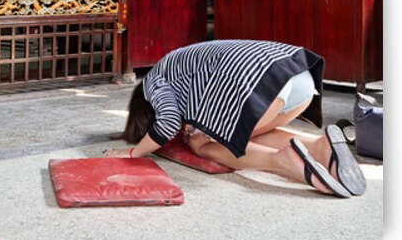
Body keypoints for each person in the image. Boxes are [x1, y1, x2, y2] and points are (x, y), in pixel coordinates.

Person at [103, 40, 366, 198]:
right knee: (246, 131)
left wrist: (133, 153)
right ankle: (317, 146)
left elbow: (169, 121)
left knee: (202, 145)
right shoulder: (181, 66)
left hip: (259, 81)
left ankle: (281, 160)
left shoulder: (152, 82)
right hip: (301, 77)